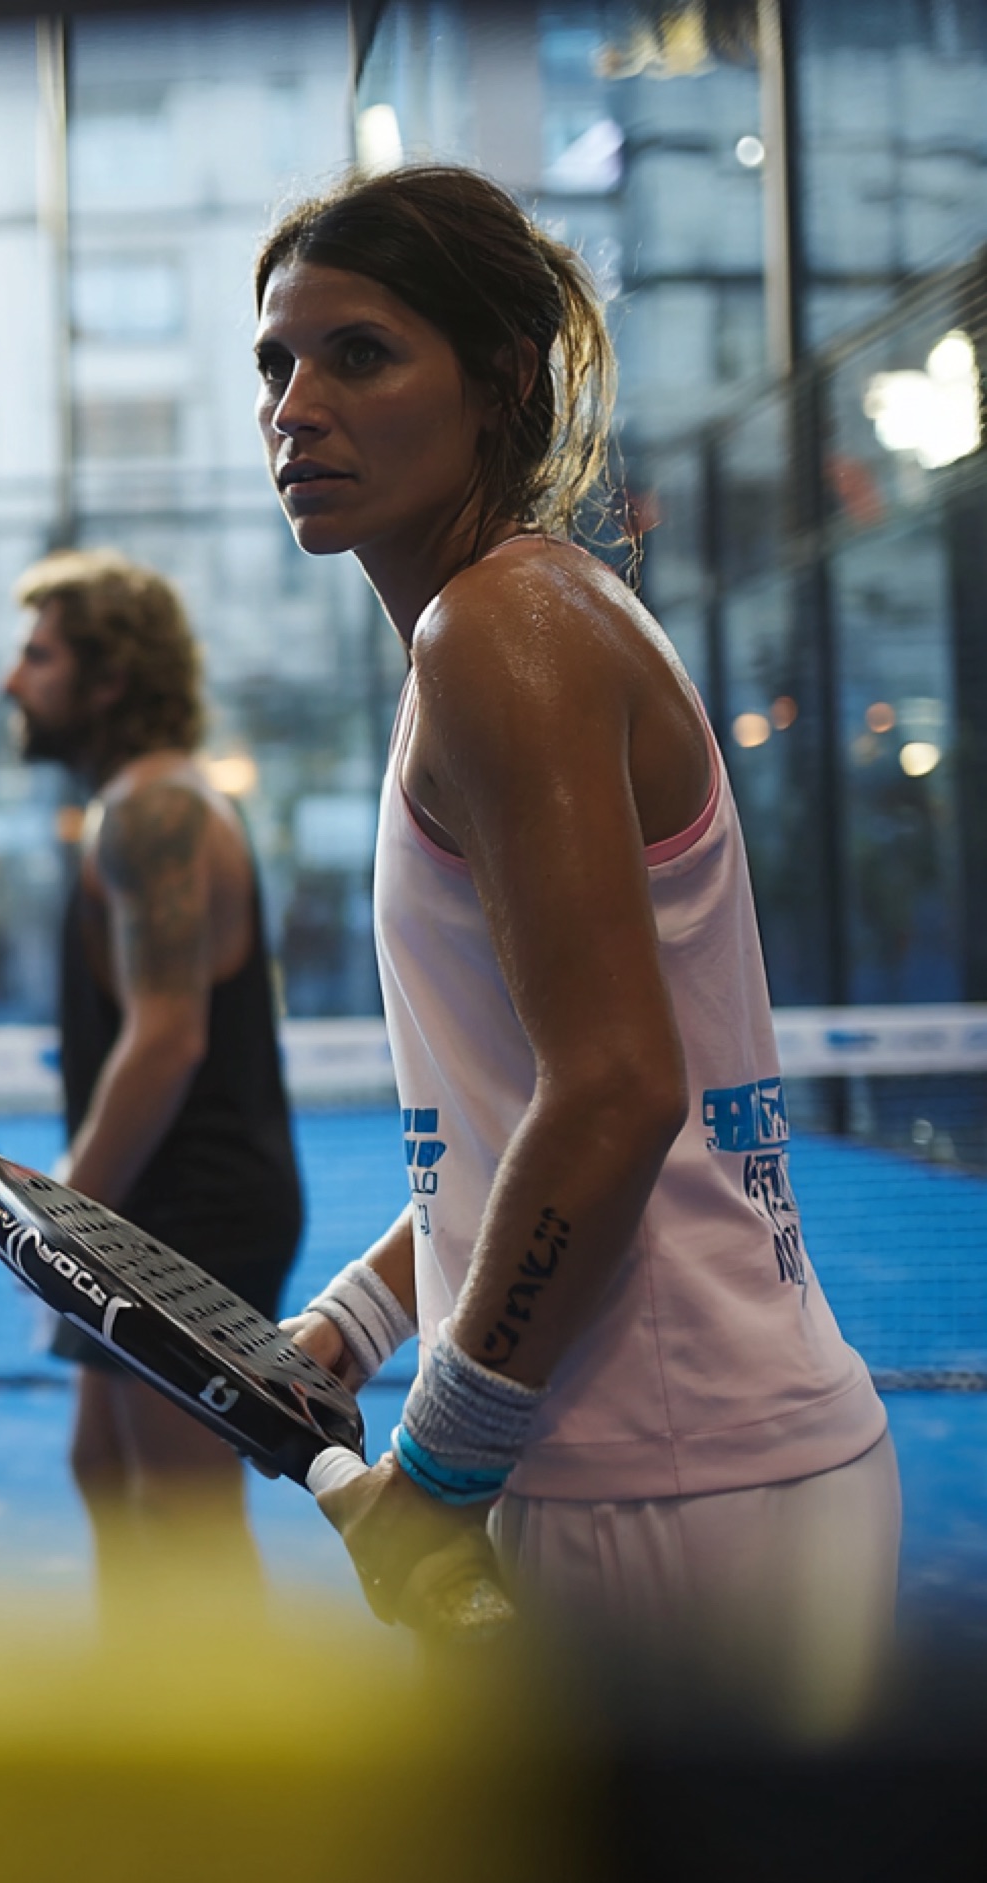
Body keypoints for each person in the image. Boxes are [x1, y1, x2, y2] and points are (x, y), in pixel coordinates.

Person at [256, 164, 894, 1716]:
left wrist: (444, 1456)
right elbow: (529, 1110)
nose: (295, 406)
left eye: (359, 352)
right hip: (687, 1463)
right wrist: (364, 1315)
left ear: (499, 383)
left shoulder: (503, 630)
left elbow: (614, 1092)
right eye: (273, 363)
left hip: (664, 1478)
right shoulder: (518, 620)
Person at [1, 549, 305, 1601]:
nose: (11, 679)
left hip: (190, 1219)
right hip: (152, 1207)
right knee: (103, 1470)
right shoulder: (138, 807)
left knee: (182, 1518)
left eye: (37, 655)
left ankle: (219, 1755)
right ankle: (137, 1726)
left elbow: (166, 1037)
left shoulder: (154, 813)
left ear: (110, 677)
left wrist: (52, 1217)